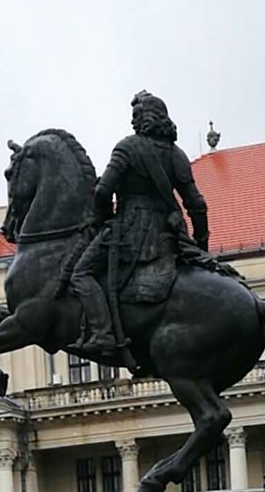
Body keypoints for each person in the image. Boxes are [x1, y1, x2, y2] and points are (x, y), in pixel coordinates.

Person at [66, 91, 209, 357]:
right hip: (168, 236)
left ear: (144, 118)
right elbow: (197, 205)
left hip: (129, 232)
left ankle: (103, 335)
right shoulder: (177, 155)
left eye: (135, 116)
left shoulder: (127, 148)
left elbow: (101, 191)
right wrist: (202, 246)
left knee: (81, 274)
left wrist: (106, 219)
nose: (133, 122)